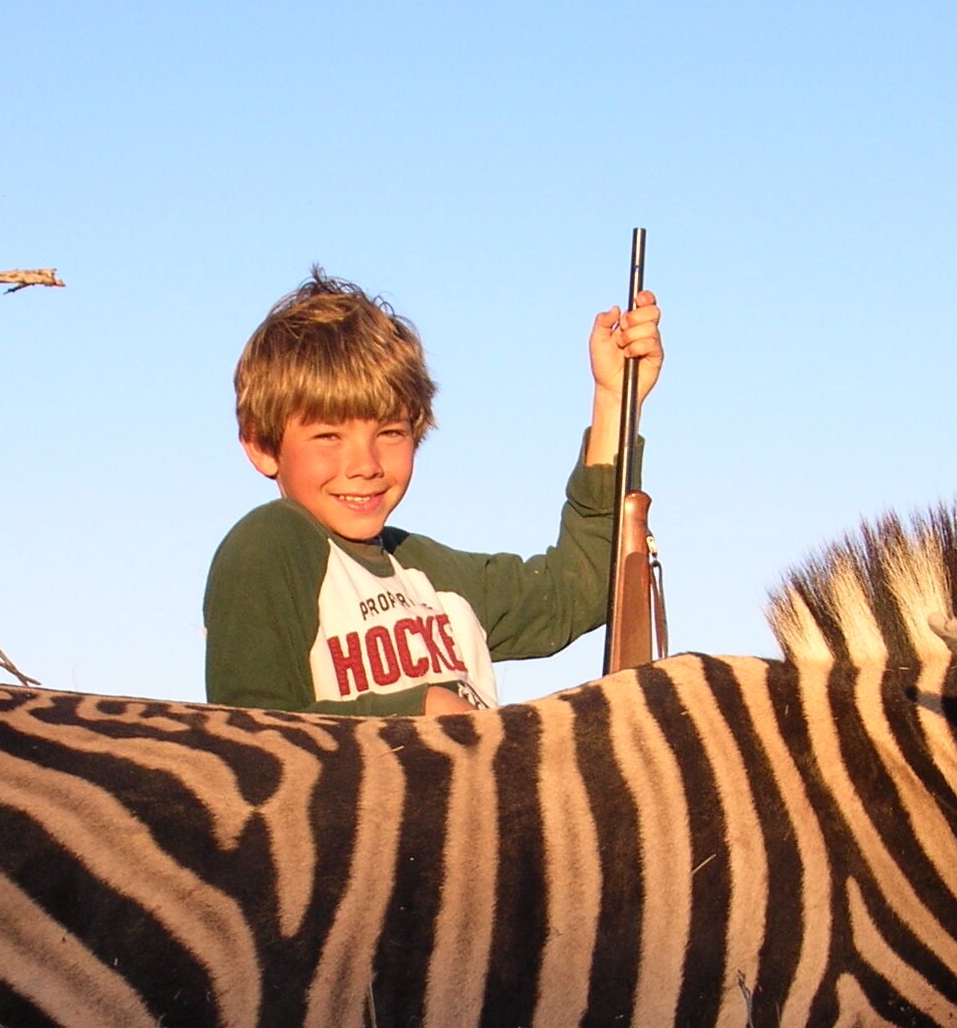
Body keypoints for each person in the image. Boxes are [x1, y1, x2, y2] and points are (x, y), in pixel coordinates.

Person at [203, 271, 663, 714]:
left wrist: (614, 400)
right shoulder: (271, 543)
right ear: (262, 446)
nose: (365, 465)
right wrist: (418, 713)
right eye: (329, 436)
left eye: (389, 433)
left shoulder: (436, 574)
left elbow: (580, 587)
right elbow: (250, 732)